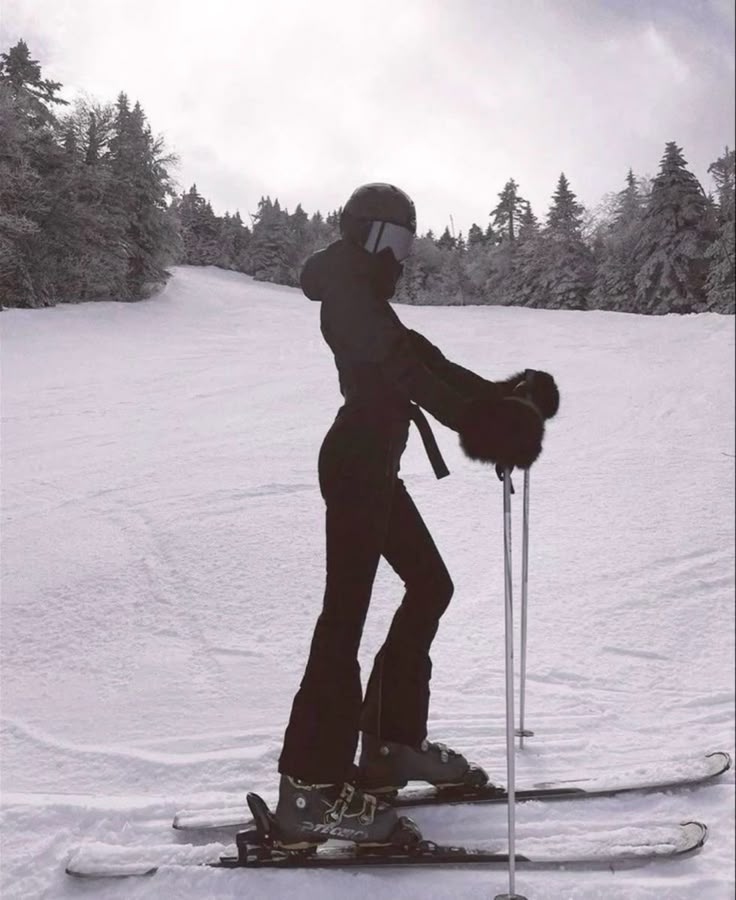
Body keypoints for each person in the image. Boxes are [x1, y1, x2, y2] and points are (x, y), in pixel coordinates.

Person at [274, 183, 559, 849]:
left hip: (374, 469)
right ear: (363, 237)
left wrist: (502, 395)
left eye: (408, 244)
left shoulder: (365, 295)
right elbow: (408, 374)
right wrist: (483, 422)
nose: (400, 258)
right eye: (392, 243)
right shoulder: (347, 299)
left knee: (431, 586)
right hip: (354, 470)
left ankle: (390, 748)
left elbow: (429, 360)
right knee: (342, 621)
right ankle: (309, 790)